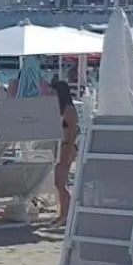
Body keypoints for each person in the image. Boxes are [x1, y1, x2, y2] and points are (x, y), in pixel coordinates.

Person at [52, 79, 80, 225]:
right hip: (64, 145)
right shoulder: (61, 108)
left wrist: (68, 150)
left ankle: (66, 213)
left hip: (68, 146)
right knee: (58, 182)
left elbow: (73, 131)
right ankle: (63, 212)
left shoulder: (68, 109)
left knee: (61, 182)